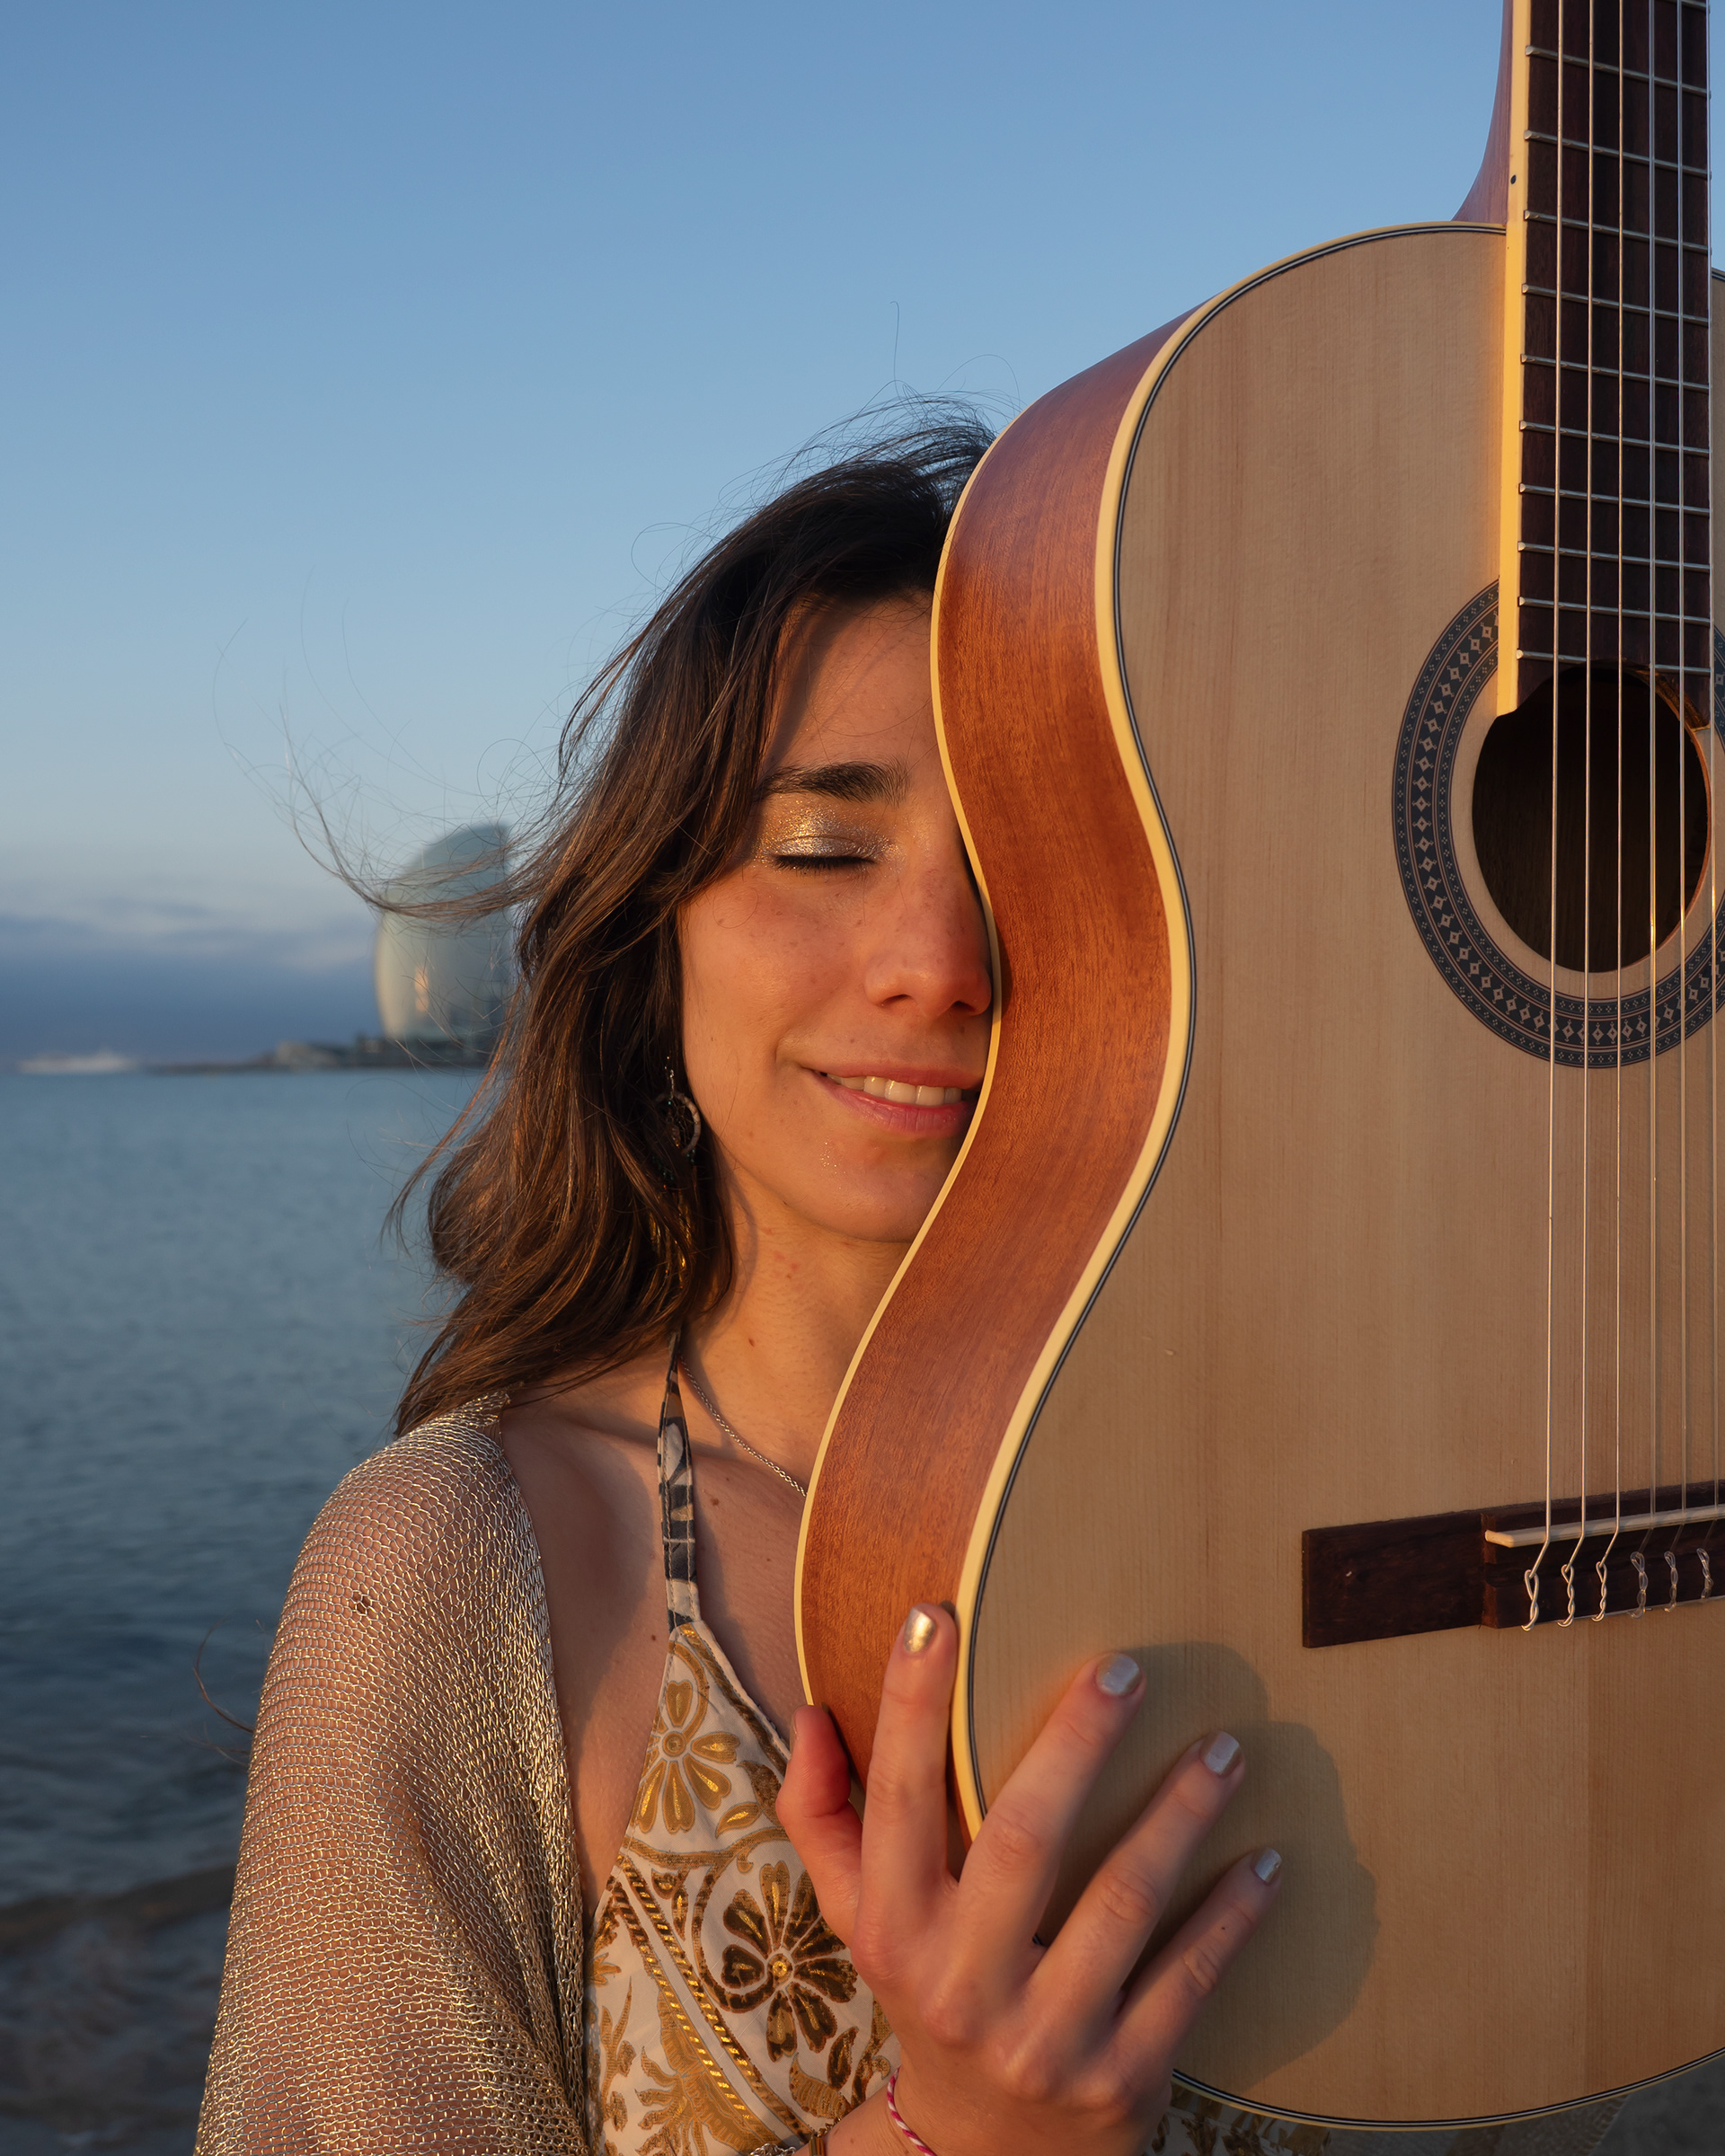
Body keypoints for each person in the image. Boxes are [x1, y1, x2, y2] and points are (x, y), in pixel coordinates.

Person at [196, 418, 1618, 2156]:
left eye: (1034, 866)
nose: (938, 967)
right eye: (821, 848)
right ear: (657, 935)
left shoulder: (1375, 1497)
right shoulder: (462, 1574)